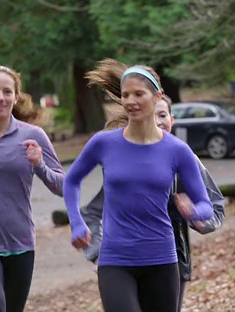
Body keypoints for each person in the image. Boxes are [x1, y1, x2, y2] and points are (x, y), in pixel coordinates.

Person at [63, 59, 214, 312]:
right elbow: (71, 180)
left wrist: (194, 211)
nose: (130, 101)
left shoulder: (177, 151)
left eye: (138, 94)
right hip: (116, 261)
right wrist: (77, 223)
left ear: (156, 97)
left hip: (162, 260)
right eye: (125, 95)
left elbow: (206, 206)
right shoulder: (104, 143)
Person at [0, 66, 64, 312]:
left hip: (20, 240)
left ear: (16, 96)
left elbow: (63, 187)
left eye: (7, 91)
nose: (0, 97)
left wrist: (39, 165)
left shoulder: (33, 135)